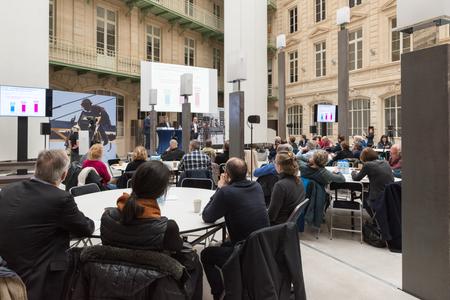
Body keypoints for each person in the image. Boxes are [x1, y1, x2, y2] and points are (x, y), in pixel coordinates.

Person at [0, 149, 94, 300]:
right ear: (63, 175)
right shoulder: (60, 199)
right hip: (39, 276)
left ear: (36, 169)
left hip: (7, 273)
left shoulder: (8, 190)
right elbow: (86, 228)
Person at [100, 161, 202, 299]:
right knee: (194, 260)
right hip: (153, 285)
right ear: (161, 191)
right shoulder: (167, 227)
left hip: (112, 280)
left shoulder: (108, 217)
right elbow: (177, 247)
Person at [201, 158, 270, 299]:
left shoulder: (226, 192)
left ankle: (218, 293)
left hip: (243, 252)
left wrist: (220, 187)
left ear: (227, 175)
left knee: (206, 254)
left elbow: (207, 216)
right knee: (223, 244)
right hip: (262, 247)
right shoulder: (257, 187)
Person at [351, 148, 394, 216]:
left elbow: (356, 178)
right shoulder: (385, 162)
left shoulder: (368, 165)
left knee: (363, 195)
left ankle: (376, 218)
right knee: (366, 193)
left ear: (364, 157)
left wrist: (353, 172)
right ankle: (378, 217)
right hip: (389, 195)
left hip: (378, 197)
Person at [268, 151, 305, 225]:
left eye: (275, 162)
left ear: (279, 166)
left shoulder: (280, 185)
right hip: (288, 223)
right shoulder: (299, 181)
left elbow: (271, 216)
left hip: (277, 224)